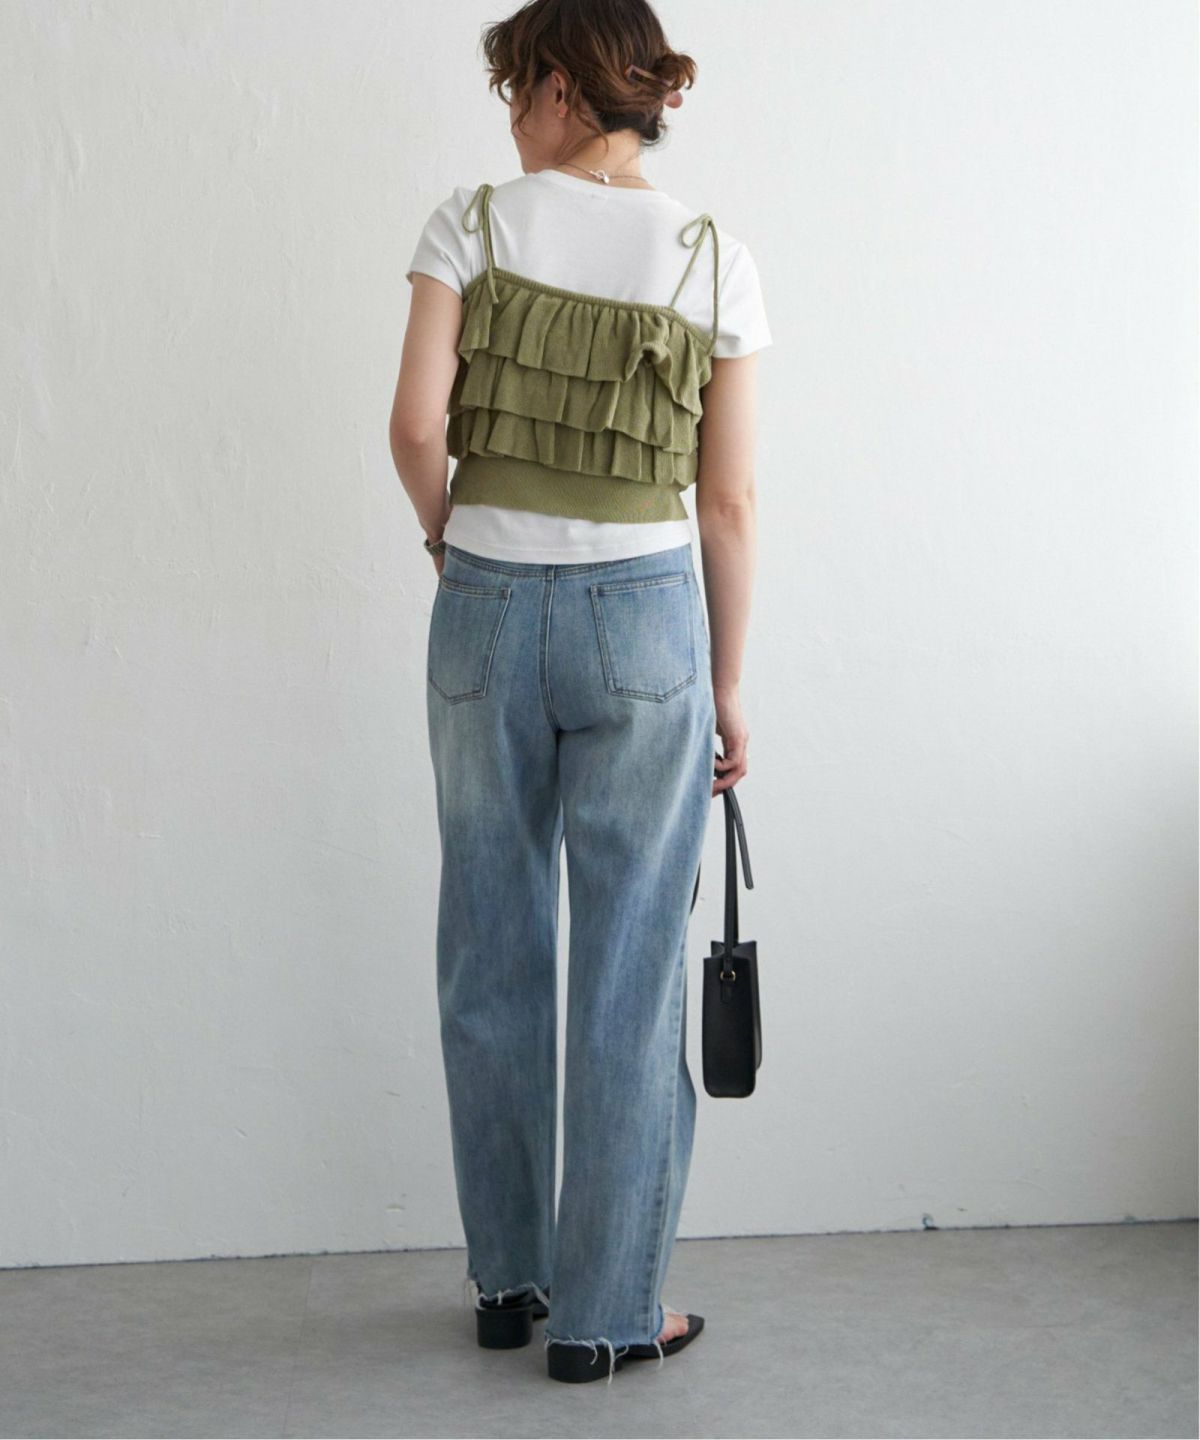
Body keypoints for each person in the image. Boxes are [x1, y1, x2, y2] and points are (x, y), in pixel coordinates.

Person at [388, 0, 770, 1386]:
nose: (508, 118)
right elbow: (726, 502)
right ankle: (607, 1316)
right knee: (627, 970)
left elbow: (415, 429)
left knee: (490, 942)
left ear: (559, 86)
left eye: (516, 90)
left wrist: (456, 546)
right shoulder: (713, 258)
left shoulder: (471, 226)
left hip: (486, 609)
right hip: (645, 620)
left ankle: (509, 1281)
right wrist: (727, 684)